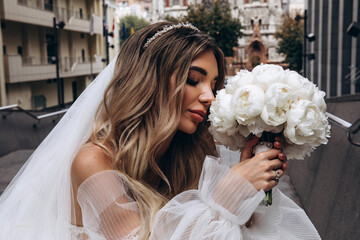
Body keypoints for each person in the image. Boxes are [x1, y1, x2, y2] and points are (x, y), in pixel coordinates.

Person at [0, 22, 320, 240]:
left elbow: (230, 229)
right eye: (194, 80)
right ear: (150, 81)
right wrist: (229, 193)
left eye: (213, 84)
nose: (209, 96)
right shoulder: (92, 160)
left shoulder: (189, 150)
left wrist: (252, 185)